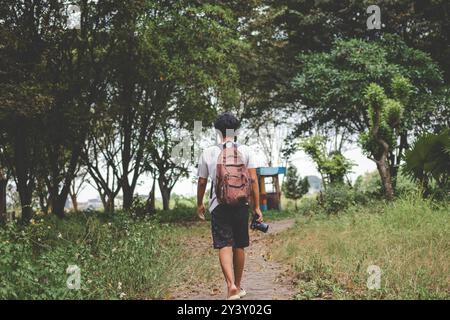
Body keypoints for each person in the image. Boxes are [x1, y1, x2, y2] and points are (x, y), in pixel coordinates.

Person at [196, 112, 263, 300]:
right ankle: (239, 285)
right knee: (239, 245)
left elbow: (202, 182)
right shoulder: (247, 151)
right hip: (242, 204)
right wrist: (256, 207)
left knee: (224, 244)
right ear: (237, 130)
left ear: (217, 131)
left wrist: (200, 204)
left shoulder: (208, 152)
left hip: (218, 205)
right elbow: (253, 180)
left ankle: (230, 285)